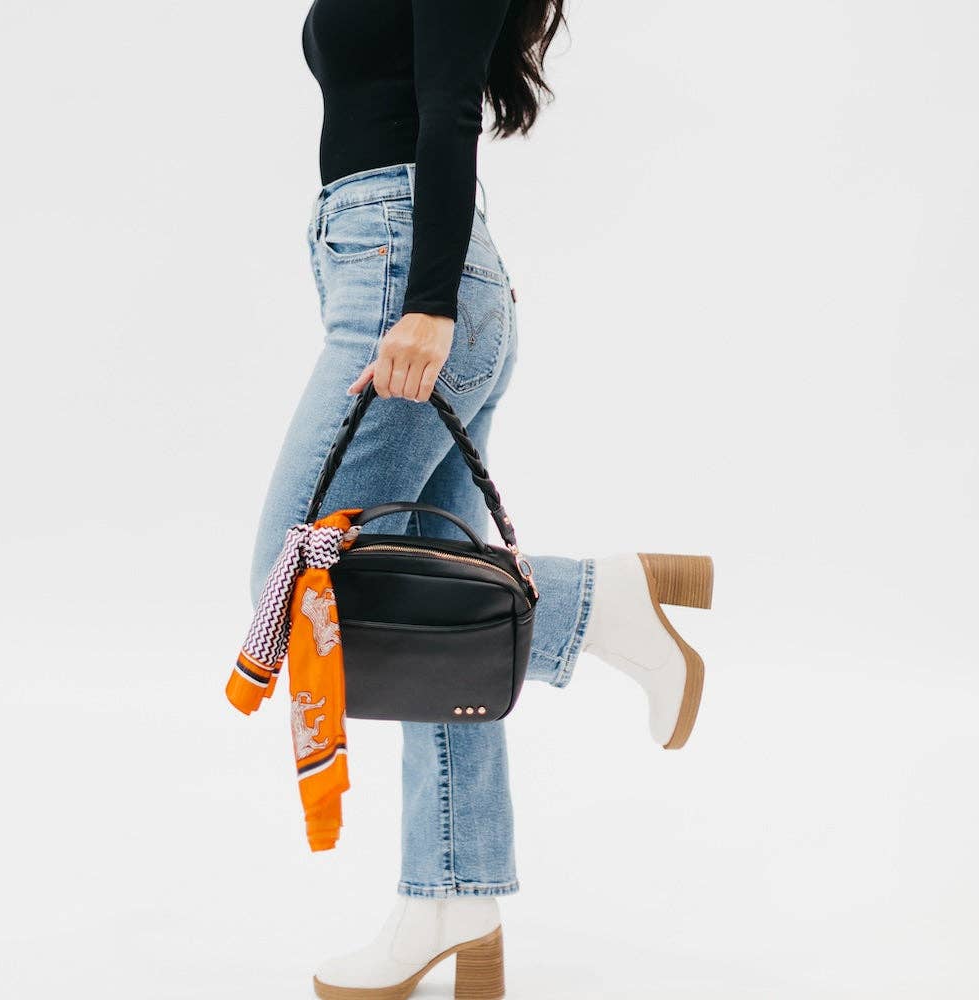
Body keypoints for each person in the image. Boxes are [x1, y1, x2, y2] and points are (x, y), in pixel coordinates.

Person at [248, 1, 714, 997]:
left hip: (405, 276)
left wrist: (427, 302)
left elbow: (448, 108)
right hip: (385, 262)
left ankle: (602, 600)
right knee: (440, 634)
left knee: (288, 577)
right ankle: (449, 899)